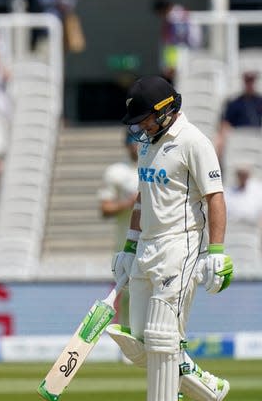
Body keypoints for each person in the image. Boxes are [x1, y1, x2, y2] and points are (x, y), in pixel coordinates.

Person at [107, 75, 232, 401]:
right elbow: (141, 197)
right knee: (140, 344)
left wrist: (216, 251)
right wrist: (130, 247)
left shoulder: (193, 141)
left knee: (163, 341)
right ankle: (208, 390)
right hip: (147, 246)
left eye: (143, 119)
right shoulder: (148, 144)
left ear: (164, 111)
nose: (140, 127)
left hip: (181, 244)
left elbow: (214, 197)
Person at [97, 130, 139, 326]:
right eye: (133, 141)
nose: (137, 146)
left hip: (154, 240)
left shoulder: (158, 168)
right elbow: (105, 208)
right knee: (126, 294)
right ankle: (125, 343)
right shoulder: (117, 172)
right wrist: (129, 203)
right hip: (126, 243)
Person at [214, 71, 262, 161]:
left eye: (251, 81)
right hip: (238, 138)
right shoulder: (235, 103)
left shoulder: (260, 101)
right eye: (247, 81)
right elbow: (225, 123)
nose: (249, 84)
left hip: (257, 137)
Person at [152, 0, 202, 82]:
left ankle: (171, 69)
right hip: (185, 47)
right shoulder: (176, 12)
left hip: (187, 48)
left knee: (170, 49)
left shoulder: (174, 16)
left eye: (159, 13)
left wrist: (171, 64)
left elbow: (180, 37)